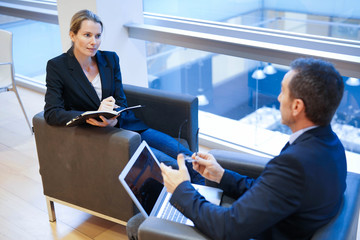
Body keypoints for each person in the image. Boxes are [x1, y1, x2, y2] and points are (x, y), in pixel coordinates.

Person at [137, 58, 346, 240]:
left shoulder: (296, 164)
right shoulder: (330, 145)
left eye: (283, 91)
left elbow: (227, 229)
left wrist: (181, 188)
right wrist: (222, 176)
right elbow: (272, 191)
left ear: (297, 106)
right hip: (272, 222)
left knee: (138, 225)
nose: (279, 98)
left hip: (253, 232)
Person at [43, 9, 203, 184]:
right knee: (175, 166)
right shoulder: (57, 67)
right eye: (87, 35)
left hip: (127, 124)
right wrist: (88, 116)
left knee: (192, 159)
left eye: (97, 36)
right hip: (100, 135)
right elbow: (52, 113)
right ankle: (197, 207)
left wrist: (114, 116)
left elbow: (120, 100)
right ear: (72, 35)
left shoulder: (110, 59)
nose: (93, 42)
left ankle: (214, 202)